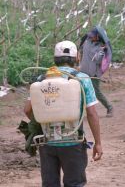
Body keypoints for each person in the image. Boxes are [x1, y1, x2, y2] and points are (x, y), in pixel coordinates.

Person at [24, 40, 103, 187]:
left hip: (47, 142)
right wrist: (97, 143)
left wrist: (44, 120)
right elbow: (91, 113)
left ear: (55, 58)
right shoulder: (82, 79)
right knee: (75, 183)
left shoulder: (42, 79)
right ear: (76, 58)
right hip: (73, 142)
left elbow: (27, 110)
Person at [79, 26, 113, 117]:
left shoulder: (101, 47)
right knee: (80, 91)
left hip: (94, 73)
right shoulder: (87, 42)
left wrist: (102, 52)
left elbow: (98, 61)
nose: (91, 37)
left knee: (97, 93)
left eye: (93, 36)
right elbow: (81, 50)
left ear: (98, 36)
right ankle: (79, 113)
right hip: (83, 72)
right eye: (90, 35)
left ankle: (109, 107)